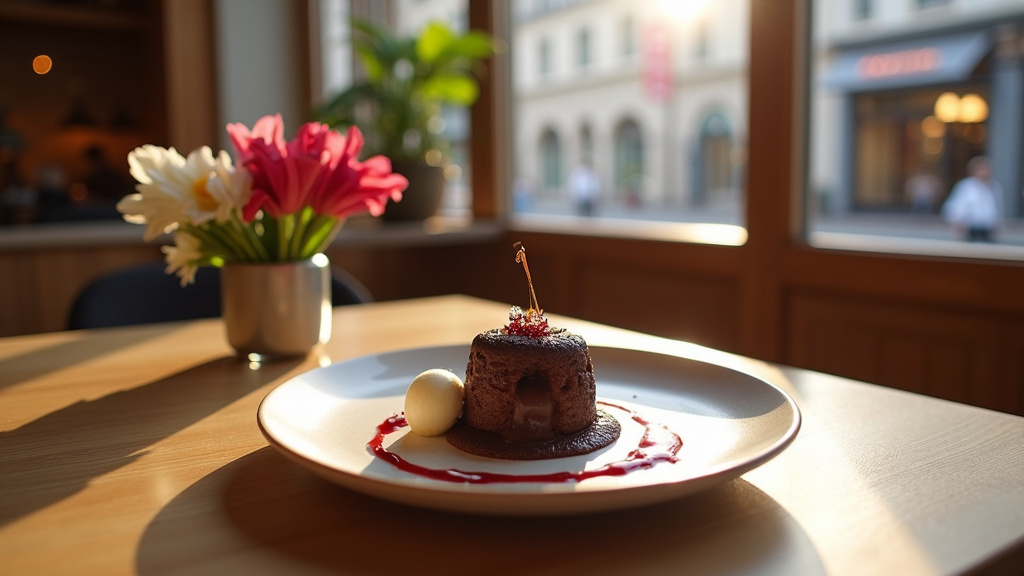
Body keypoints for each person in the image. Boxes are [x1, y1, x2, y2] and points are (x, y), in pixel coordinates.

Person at [941, 156, 1003, 242]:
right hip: (969, 229)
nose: (984, 172)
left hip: (988, 230)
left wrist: (997, 224)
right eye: (981, 169)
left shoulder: (995, 187)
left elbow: (997, 209)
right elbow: (955, 206)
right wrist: (958, 222)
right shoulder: (965, 186)